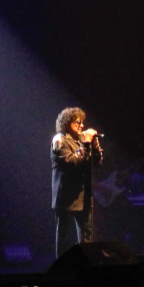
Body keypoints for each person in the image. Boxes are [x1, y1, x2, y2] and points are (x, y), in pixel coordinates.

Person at [51, 106, 103, 257]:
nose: (81, 126)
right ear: (67, 124)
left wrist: (94, 144)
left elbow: (96, 162)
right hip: (66, 196)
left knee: (87, 237)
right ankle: (61, 270)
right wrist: (86, 143)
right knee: (64, 237)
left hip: (84, 195)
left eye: (82, 122)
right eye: (77, 123)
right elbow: (73, 162)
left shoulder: (81, 139)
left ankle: (84, 267)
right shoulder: (59, 140)